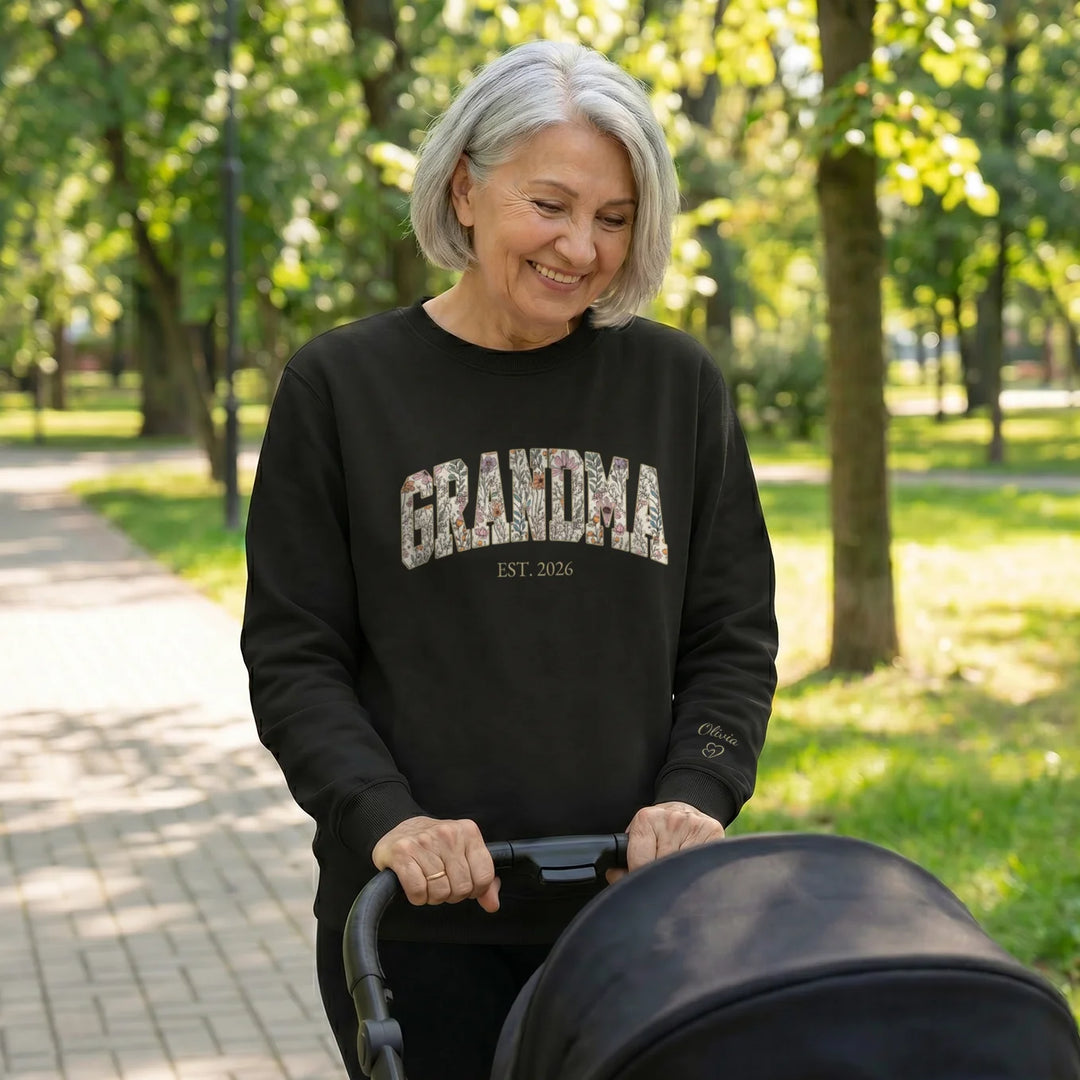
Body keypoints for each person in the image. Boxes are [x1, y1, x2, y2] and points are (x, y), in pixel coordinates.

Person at [241, 40, 778, 1080]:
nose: (581, 247)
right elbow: (295, 656)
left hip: (630, 919)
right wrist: (391, 822)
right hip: (414, 926)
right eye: (550, 204)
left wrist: (698, 792)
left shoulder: (677, 385)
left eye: (615, 217)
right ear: (465, 188)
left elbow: (731, 636)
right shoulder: (340, 388)